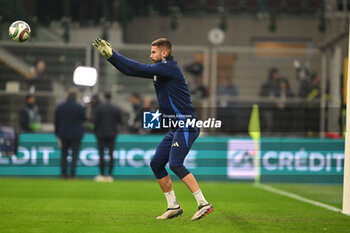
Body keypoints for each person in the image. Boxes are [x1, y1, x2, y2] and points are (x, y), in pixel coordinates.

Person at [93, 37, 213, 220]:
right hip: (175, 127)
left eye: (153, 52)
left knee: (175, 164)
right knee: (157, 164)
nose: (150, 56)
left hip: (186, 124)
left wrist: (114, 54)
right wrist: (110, 58)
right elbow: (129, 71)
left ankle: (203, 203)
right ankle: (173, 206)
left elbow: (138, 68)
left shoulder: (169, 67)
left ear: (165, 53)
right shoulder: (161, 70)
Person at [54, 88, 86, 179]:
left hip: (63, 133)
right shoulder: (79, 106)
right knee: (74, 155)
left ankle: (63, 174)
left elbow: (56, 121)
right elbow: (84, 118)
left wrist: (57, 132)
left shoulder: (60, 106)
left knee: (64, 154)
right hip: (76, 134)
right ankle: (73, 174)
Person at [94, 92, 122, 182]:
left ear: (103, 97)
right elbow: (120, 121)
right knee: (111, 155)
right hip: (112, 134)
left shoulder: (99, 108)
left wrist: (95, 132)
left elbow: (95, 122)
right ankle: (110, 175)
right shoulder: (116, 108)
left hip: (101, 134)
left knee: (101, 155)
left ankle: (102, 174)